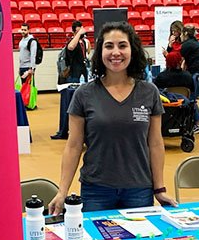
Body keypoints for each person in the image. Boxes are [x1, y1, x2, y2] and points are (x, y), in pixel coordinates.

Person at [48, 21, 178, 214]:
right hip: (96, 191)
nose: (115, 52)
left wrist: (159, 189)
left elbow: (156, 143)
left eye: (122, 45)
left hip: (139, 190)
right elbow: (73, 146)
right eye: (109, 46)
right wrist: (62, 191)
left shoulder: (149, 92)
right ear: (100, 52)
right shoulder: (84, 94)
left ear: (132, 50)